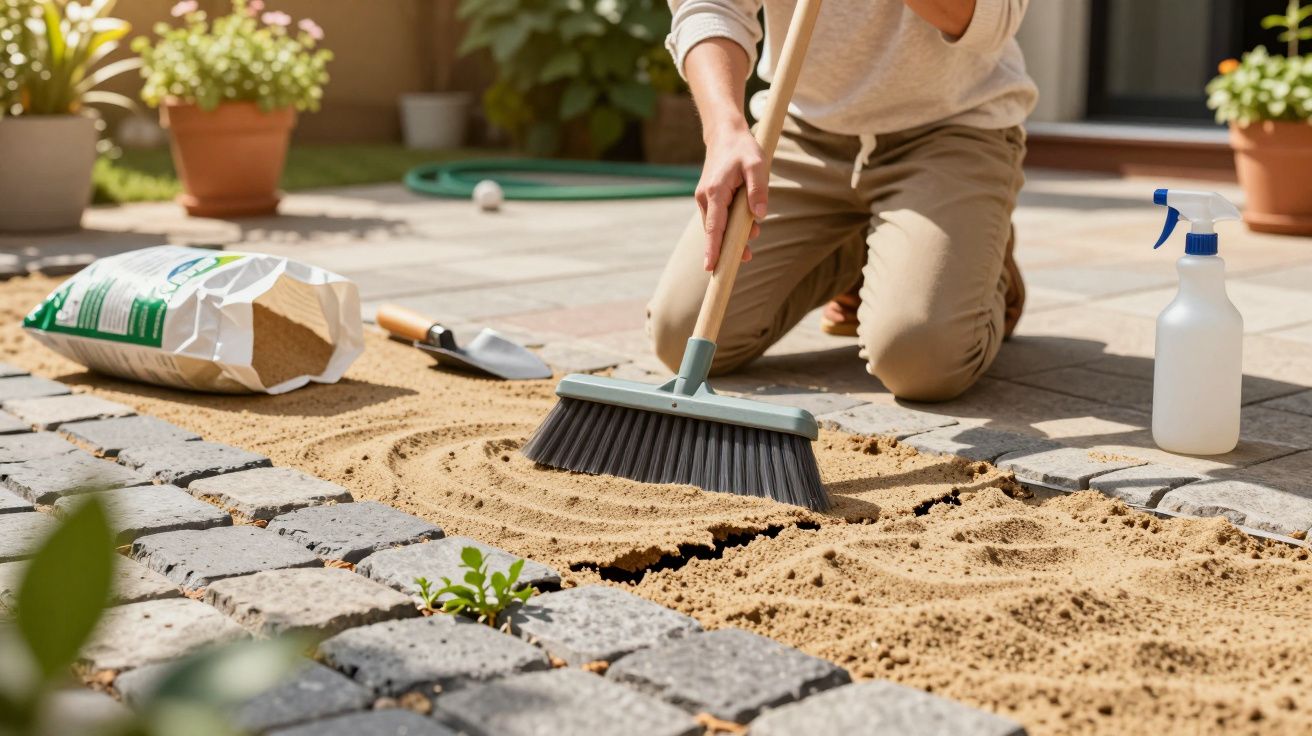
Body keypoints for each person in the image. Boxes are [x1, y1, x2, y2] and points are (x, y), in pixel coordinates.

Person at [646, 0, 1037, 402]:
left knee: (921, 360)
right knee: (681, 333)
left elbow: (992, 21)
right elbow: (711, 6)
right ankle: (866, 252)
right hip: (806, 129)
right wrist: (723, 130)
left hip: (954, 126)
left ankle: (979, 252)